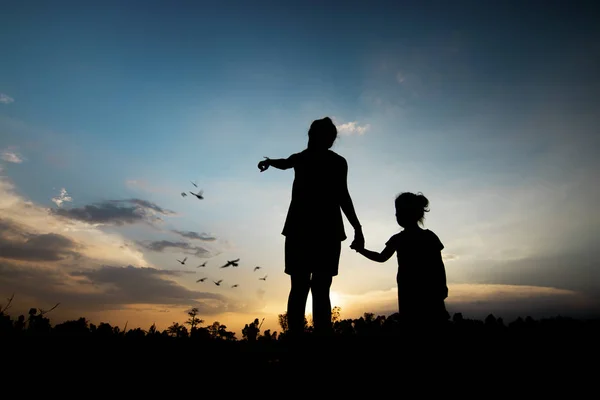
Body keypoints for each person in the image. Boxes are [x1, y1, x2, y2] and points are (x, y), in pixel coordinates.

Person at [258, 117, 364, 337]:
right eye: (329, 136)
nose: (331, 140)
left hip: (311, 230)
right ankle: (309, 339)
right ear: (318, 136)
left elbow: (343, 195)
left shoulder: (323, 160)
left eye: (332, 136)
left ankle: (310, 339)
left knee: (307, 288)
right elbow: (286, 162)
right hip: (317, 230)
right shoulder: (314, 159)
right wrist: (270, 162)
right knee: (310, 288)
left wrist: (357, 227)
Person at [351, 191, 449, 328]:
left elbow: (438, 265)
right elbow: (439, 265)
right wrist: (361, 250)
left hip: (419, 292)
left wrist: (361, 250)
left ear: (409, 213)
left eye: (399, 211)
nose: (396, 214)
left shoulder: (403, 238)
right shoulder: (425, 237)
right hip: (414, 292)